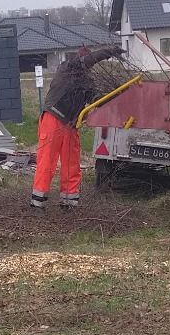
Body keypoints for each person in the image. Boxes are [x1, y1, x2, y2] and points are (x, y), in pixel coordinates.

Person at [31, 44, 122, 211]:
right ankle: (38, 204)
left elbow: (96, 99)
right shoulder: (67, 67)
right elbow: (85, 62)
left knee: (71, 165)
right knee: (47, 163)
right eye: (88, 62)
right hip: (53, 118)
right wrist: (107, 52)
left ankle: (69, 203)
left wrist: (116, 96)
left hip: (71, 124)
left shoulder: (86, 81)